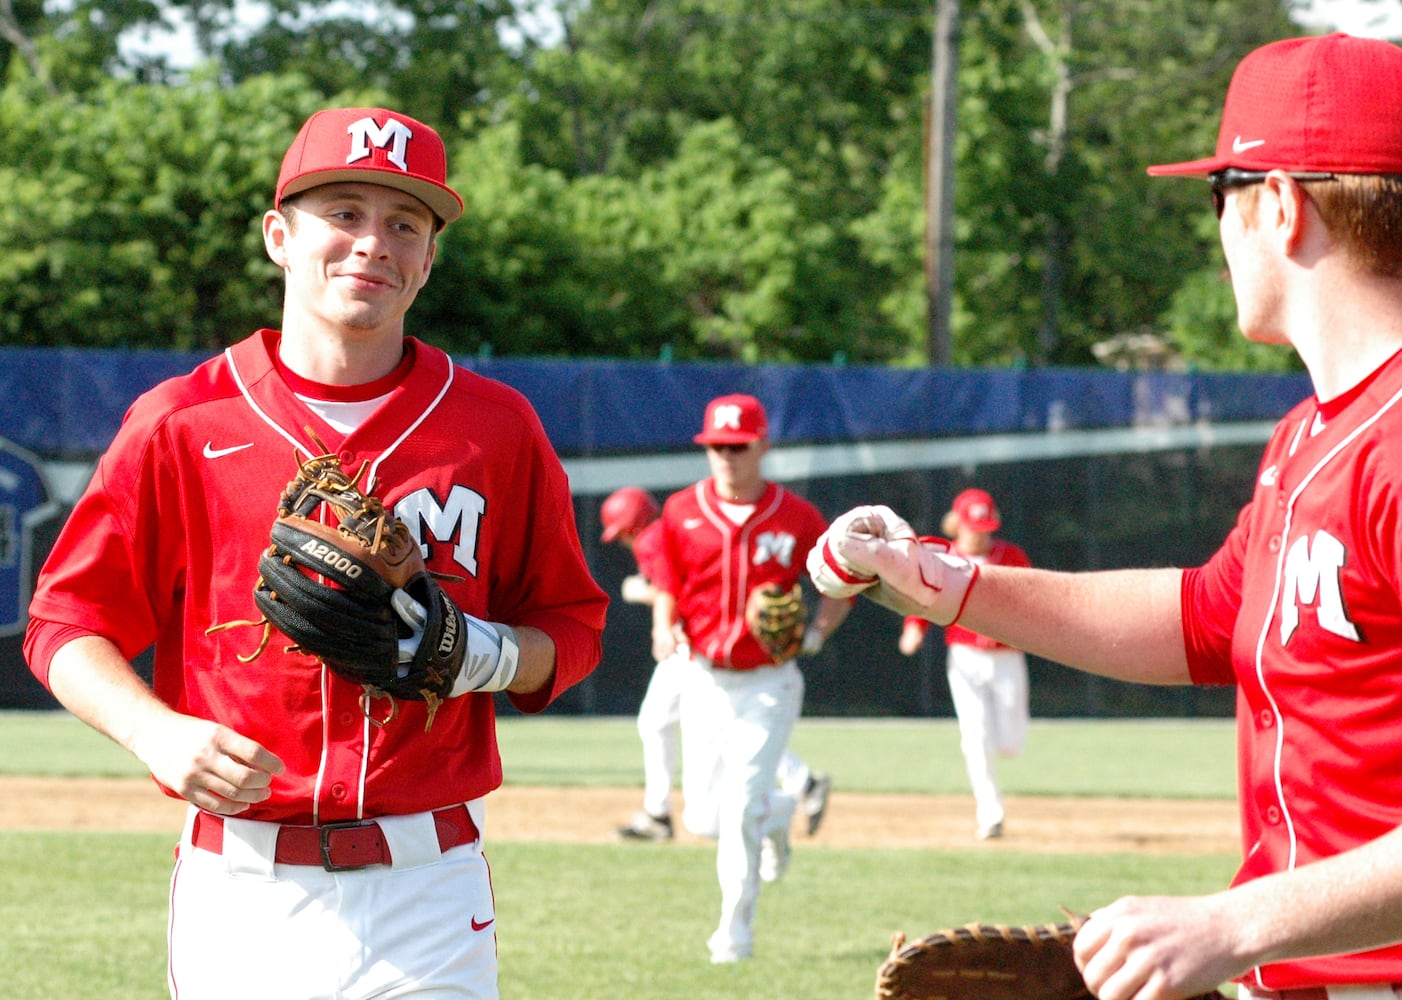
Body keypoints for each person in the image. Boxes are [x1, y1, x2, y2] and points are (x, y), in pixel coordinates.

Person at [809, 32, 1402, 1000]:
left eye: (1222, 195)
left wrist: (1235, 920)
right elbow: (1207, 616)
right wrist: (943, 580)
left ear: (1282, 204)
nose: (1216, 227)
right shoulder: (1311, 434)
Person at [23, 106, 608, 999]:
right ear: (279, 237)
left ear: (427, 259)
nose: (373, 242)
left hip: (429, 888)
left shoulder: (495, 430)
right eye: (342, 211)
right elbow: (65, 624)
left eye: (404, 223)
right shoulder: (182, 421)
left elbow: (572, 627)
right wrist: (154, 729)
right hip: (239, 889)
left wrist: (477, 655)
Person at [650, 393, 852, 963]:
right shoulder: (682, 510)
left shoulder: (796, 516)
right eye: (717, 446)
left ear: (762, 446)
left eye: (738, 447)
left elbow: (842, 581)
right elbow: (668, 579)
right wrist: (665, 625)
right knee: (704, 817)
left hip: (769, 681)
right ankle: (782, 814)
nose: (726, 457)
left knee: (739, 807)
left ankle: (733, 936)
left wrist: (815, 633)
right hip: (704, 677)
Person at [601, 486, 834, 843]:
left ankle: (658, 814)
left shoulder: (650, 541)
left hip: (690, 647)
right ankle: (803, 782)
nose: (624, 543)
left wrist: (638, 592)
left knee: (664, 722)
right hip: (695, 644)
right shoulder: (673, 526)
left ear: (630, 528)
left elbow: (673, 590)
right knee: (700, 725)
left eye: (621, 535)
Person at [898, 488, 1032, 841]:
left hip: (1007, 658)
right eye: (974, 526)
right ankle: (991, 814)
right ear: (957, 524)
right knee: (975, 737)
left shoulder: (1010, 556)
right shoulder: (942, 558)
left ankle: (996, 788)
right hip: (966, 659)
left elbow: (1034, 596)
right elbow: (923, 598)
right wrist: (914, 628)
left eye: (986, 526)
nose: (981, 533)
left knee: (1010, 743)